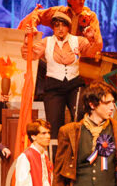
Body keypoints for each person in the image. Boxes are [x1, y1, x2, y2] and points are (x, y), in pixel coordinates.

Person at [22, 10, 101, 138]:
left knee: (80, 114)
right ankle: (56, 149)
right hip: (53, 86)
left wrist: (92, 39)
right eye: (56, 25)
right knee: (54, 124)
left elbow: (93, 51)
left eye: (63, 25)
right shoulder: (47, 42)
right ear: (53, 28)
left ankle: (79, 146)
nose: (60, 29)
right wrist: (27, 41)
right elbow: (29, 56)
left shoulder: (78, 40)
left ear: (68, 27)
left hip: (74, 84)